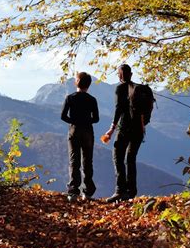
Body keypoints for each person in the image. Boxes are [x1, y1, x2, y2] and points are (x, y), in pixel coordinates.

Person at [103, 64, 145, 203]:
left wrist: (112, 128)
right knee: (131, 159)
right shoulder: (139, 89)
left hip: (124, 128)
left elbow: (118, 109)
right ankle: (131, 192)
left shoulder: (120, 88)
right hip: (139, 130)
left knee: (118, 156)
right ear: (131, 74)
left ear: (120, 75)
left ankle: (120, 191)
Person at [61, 72, 99, 202]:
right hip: (88, 131)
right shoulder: (92, 100)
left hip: (74, 131)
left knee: (74, 161)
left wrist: (74, 120)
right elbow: (96, 119)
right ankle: (87, 192)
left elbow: (63, 116)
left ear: (76, 82)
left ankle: (73, 191)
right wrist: (87, 120)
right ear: (89, 85)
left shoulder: (70, 98)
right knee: (87, 161)